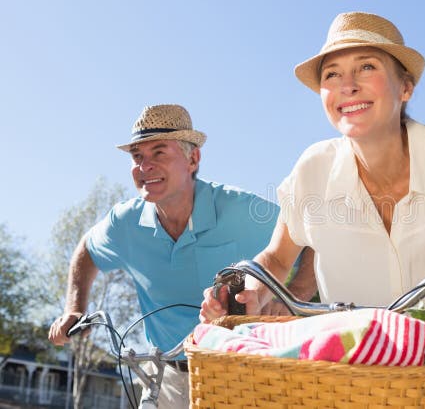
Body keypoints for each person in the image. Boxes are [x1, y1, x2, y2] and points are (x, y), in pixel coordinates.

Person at [199, 12, 425, 408]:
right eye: (332, 75)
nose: (347, 86)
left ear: (405, 87)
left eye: (366, 67)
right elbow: (277, 260)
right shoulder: (312, 171)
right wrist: (249, 291)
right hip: (369, 376)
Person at [48, 104, 316, 407]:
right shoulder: (124, 223)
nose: (144, 166)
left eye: (159, 152)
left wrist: (294, 297)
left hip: (239, 374)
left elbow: (311, 236)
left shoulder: (239, 209)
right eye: (138, 157)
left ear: (193, 158)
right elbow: (87, 249)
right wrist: (74, 307)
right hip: (166, 376)